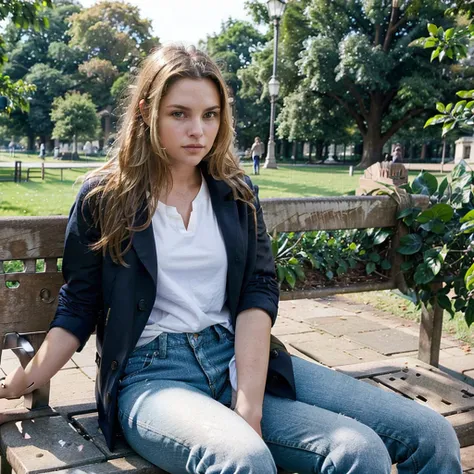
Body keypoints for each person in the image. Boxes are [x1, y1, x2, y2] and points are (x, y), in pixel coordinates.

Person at [0, 45, 462, 474]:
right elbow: (78, 306)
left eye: (210, 115)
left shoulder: (236, 194)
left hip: (237, 356)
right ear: (146, 113)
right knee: (246, 459)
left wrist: (249, 404)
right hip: (154, 378)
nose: (197, 130)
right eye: (179, 114)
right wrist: (19, 383)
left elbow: (256, 295)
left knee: (421, 437)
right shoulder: (106, 198)